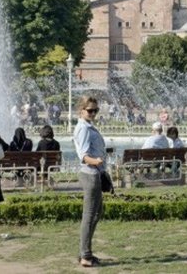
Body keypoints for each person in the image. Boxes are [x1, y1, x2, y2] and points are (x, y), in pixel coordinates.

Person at [73, 96, 107, 268]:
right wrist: (97, 161)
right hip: (90, 174)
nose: (93, 113)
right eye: (90, 110)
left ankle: (85, 252)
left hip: (95, 173)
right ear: (81, 110)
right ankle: (85, 255)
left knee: (96, 213)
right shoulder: (83, 128)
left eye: (96, 110)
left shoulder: (88, 126)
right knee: (89, 215)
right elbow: (84, 156)